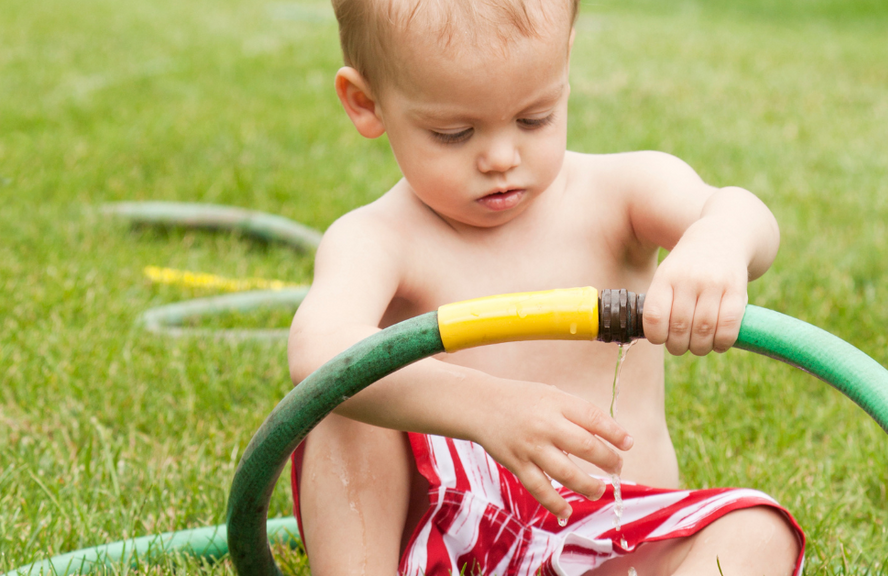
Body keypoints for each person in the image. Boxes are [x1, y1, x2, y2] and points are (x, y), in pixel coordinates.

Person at [286, 0, 804, 574]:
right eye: (453, 133)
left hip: (615, 540)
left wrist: (718, 243)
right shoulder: (378, 237)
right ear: (367, 103)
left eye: (534, 119)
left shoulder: (620, 193)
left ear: (566, 61)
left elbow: (741, 212)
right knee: (350, 387)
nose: (502, 158)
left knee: (759, 532)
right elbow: (317, 349)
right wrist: (486, 407)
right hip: (452, 538)